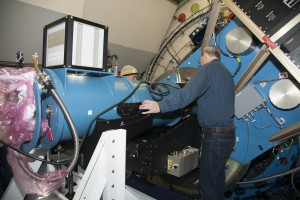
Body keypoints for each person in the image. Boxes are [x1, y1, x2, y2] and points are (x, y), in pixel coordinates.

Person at [139, 45, 236, 200]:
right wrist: (189, 112)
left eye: (200, 58)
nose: (200, 61)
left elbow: (186, 94)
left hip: (214, 137)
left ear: (205, 54)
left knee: (208, 184)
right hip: (227, 135)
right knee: (217, 180)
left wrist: (159, 106)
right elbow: (212, 103)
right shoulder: (226, 74)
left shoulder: (207, 69)